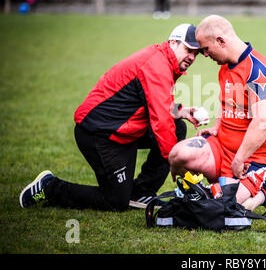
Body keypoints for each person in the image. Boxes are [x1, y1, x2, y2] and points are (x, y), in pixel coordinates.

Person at [19, 24, 203, 211]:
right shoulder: (157, 65)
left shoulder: (163, 60)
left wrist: (180, 111)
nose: (191, 57)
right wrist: (177, 161)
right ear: (173, 42)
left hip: (121, 130)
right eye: (189, 50)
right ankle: (49, 187)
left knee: (178, 126)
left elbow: (155, 105)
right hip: (98, 134)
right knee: (116, 201)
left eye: (196, 54)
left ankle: (141, 193)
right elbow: (161, 122)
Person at [168, 15, 266, 218]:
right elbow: (227, 102)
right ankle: (215, 188)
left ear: (221, 41)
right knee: (178, 155)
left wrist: (240, 158)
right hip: (222, 146)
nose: (205, 55)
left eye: (206, 49)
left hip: (252, 159)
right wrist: (217, 126)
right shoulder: (225, 66)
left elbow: (262, 122)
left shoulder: (259, 71)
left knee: (223, 210)